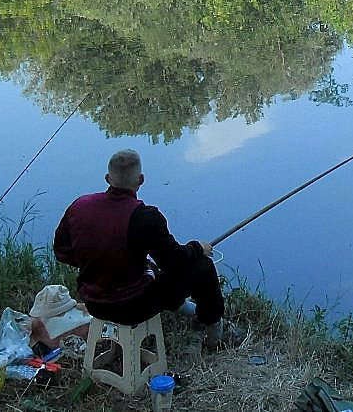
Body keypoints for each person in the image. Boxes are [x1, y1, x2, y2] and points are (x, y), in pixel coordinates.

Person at [54, 149, 229, 349]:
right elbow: (174, 263)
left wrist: (97, 260)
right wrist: (198, 248)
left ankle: (196, 314)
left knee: (150, 268)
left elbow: (62, 252)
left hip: (93, 302)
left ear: (107, 178)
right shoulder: (146, 217)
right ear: (141, 179)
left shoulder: (79, 206)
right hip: (132, 307)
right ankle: (213, 328)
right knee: (202, 266)